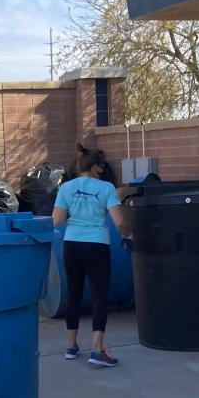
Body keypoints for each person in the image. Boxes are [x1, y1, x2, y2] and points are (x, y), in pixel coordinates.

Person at [52, 147, 130, 369]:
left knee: (74, 294)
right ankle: (97, 350)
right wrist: (128, 235)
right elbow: (120, 222)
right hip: (97, 245)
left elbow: (56, 220)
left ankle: (71, 346)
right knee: (99, 296)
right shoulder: (106, 188)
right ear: (96, 167)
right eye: (102, 165)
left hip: (71, 245)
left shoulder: (66, 187)